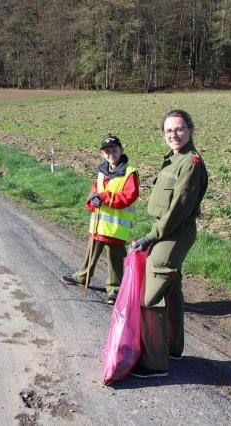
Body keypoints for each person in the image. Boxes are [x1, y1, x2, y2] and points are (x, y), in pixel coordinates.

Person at [129, 109, 208, 378]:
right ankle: (173, 347)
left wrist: (150, 237)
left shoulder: (191, 163)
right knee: (172, 290)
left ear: (190, 130)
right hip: (167, 231)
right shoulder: (175, 159)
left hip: (174, 233)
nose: (173, 134)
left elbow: (177, 211)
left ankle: (154, 363)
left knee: (150, 298)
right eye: (168, 130)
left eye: (179, 129)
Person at [60, 135, 140, 305]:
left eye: (114, 150)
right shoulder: (102, 171)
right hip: (98, 225)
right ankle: (82, 277)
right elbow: (94, 192)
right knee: (90, 255)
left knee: (115, 261)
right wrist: (92, 201)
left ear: (121, 151)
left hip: (116, 228)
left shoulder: (129, 173)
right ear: (103, 154)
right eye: (107, 151)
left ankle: (115, 290)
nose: (111, 154)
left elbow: (128, 196)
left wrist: (103, 197)